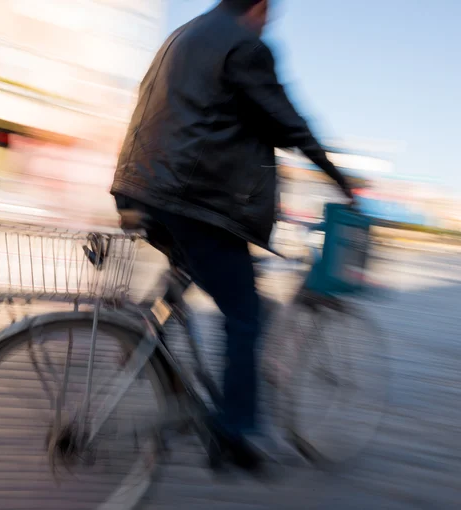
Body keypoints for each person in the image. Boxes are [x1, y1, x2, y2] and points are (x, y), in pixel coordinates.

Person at [111, 0, 354, 471]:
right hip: (191, 194)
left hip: (140, 186)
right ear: (260, 7)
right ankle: (234, 434)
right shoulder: (244, 45)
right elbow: (286, 120)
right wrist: (338, 178)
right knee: (247, 314)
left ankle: (159, 365)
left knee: (191, 275)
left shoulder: (184, 35)